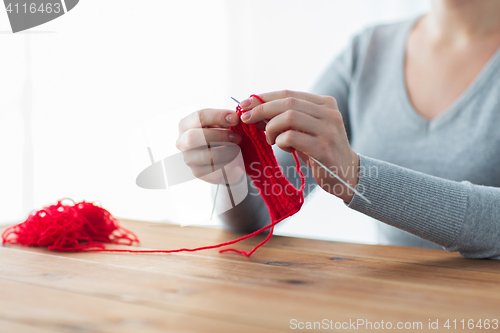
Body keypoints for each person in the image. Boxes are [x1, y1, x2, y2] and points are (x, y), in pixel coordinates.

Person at [176, 0, 500, 259]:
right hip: (390, 305)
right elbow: (262, 213)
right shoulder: (368, 52)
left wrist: (356, 174)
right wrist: (232, 174)